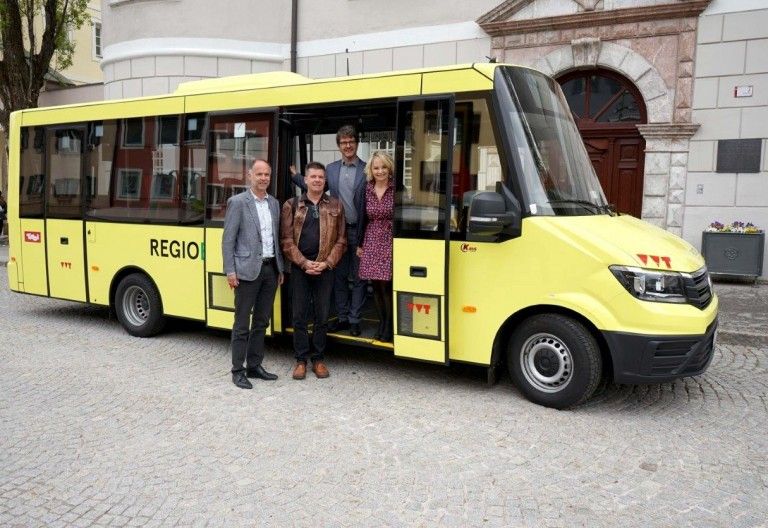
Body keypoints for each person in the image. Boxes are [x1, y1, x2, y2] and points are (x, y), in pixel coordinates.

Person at [281, 162, 347, 380]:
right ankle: (300, 360)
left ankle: (318, 359)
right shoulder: (292, 205)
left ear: (325, 181)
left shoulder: (336, 205)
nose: (317, 180)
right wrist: (303, 263)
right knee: (299, 315)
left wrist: (326, 263)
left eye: (321, 177)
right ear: (305, 180)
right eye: (313, 177)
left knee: (322, 316)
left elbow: (341, 241)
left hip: (325, 269)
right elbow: (287, 240)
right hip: (301, 269)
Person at [222, 159, 285, 389]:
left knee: (261, 321)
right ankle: (237, 370)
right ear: (250, 176)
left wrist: (280, 268)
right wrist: (230, 271)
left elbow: (275, 239)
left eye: (267, 174)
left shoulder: (274, 204)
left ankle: (254, 366)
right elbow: (228, 240)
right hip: (246, 272)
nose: (263, 178)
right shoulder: (238, 202)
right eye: (259, 174)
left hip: (270, 270)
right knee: (241, 323)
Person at [325, 125, 367, 336]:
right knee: (339, 276)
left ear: (356, 143)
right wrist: (296, 175)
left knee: (359, 277)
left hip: (360, 233)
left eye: (351, 141)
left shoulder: (367, 169)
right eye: (343, 142)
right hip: (338, 233)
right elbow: (313, 186)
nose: (348, 145)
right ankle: (342, 317)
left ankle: (354, 319)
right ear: (339, 146)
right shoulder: (330, 169)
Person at [356, 152, 395, 342]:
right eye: (376, 167)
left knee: (387, 285)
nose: (380, 171)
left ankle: (389, 326)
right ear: (371, 170)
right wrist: (359, 243)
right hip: (371, 238)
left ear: (389, 168)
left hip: (390, 240)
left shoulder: (397, 188)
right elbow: (362, 217)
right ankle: (382, 323)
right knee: (376, 287)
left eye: (383, 167)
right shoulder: (366, 188)